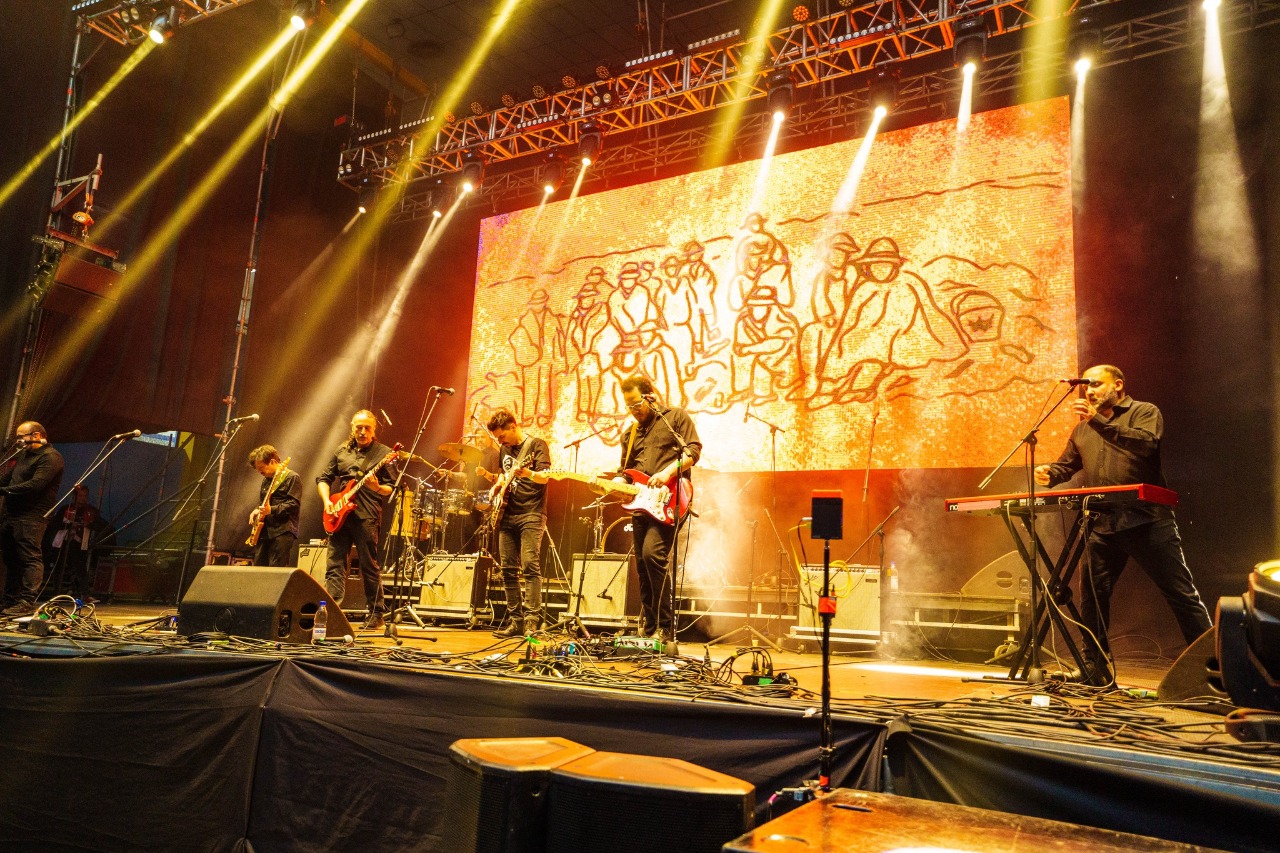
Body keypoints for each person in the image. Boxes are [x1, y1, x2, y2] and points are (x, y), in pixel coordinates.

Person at [1034, 365, 1212, 685]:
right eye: (1086, 386)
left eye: (1096, 384)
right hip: (1102, 523)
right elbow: (1067, 466)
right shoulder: (1082, 429)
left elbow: (1146, 444)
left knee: (1181, 595)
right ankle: (1095, 669)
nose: (1089, 391)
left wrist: (1098, 422)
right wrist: (1050, 474)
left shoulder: (1144, 412)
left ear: (1117, 385)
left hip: (1147, 520)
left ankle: (1214, 668)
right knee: (1093, 596)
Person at [615, 375, 701, 643]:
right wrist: (617, 483)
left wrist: (666, 473)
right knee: (642, 565)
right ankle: (650, 625)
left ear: (650, 396)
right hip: (642, 504)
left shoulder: (675, 418)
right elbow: (626, 471)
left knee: (653, 555)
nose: (634, 410)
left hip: (670, 500)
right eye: (628, 406)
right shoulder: (629, 434)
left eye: (636, 403)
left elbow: (693, 452)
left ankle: (665, 625)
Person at [316, 410, 396, 631]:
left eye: (367, 428)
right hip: (338, 514)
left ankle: (376, 614)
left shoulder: (384, 453)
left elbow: (391, 488)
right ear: (352, 427)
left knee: (368, 565)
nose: (362, 432)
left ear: (374, 430)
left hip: (366, 515)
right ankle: (332, 612)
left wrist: (377, 487)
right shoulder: (342, 450)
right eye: (358, 427)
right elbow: (323, 478)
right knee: (334, 564)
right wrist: (327, 501)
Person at [476, 409, 551, 638]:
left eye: (502, 436)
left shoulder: (537, 445)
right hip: (506, 513)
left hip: (532, 513)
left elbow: (545, 476)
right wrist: (497, 486)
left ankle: (531, 621)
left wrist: (528, 473)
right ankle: (515, 621)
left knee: (530, 566)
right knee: (508, 569)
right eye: (497, 438)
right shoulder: (504, 449)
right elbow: (503, 474)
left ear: (513, 426)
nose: (500, 441)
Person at [0, 421, 65, 616]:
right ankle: (9, 600)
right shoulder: (25, 455)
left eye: (21, 437)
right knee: (11, 559)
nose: (18, 441)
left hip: (32, 516)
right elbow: (8, 479)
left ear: (36, 435)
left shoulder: (51, 457)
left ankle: (27, 601)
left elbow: (36, 485)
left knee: (30, 558)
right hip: (11, 515)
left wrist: (4, 491)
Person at [247, 445, 302, 568]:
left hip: (282, 531)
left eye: (261, 468)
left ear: (272, 462)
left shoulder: (292, 477)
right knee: (259, 569)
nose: (259, 472)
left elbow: (294, 505)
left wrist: (271, 510)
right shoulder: (266, 480)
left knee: (275, 570)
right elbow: (264, 501)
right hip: (265, 531)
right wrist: (257, 509)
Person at [49, 484, 99, 602]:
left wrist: (88, 524)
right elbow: (55, 524)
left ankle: (85, 594)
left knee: (81, 568)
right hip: (64, 542)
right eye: (80, 496)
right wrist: (69, 525)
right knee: (59, 568)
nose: (83, 498)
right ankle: (56, 594)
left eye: (85, 496)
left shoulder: (91, 511)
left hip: (80, 543)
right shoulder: (65, 509)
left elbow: (98, 525)